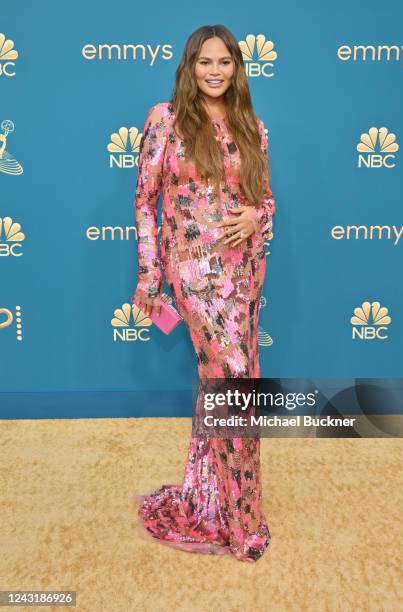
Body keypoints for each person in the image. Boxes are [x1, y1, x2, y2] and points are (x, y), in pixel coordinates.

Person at [132, 24, 276, 563]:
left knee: (230, 386)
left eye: (225, 62)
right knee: (235, 384)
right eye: (204, 62)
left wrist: (257, 214)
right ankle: (244, 526)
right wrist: (151, 275)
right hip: (193, 274)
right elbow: (145, 202)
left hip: (244, 273)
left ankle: (215, 500)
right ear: (189, 67)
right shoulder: (164, 119)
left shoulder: (251, 127)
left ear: (237, 69)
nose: (215, 71)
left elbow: (266, 201)